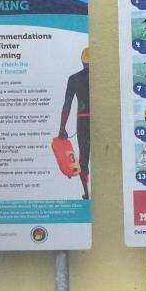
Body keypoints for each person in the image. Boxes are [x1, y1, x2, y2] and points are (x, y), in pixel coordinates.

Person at [59, 48, 91, 199]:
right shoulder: (102, 79)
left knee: (83, 158)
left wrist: (62, 127)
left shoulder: (74, 79)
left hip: (83, 119)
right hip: (100, 120)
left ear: (82, 61)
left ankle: (87, 193)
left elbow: (67, 104)